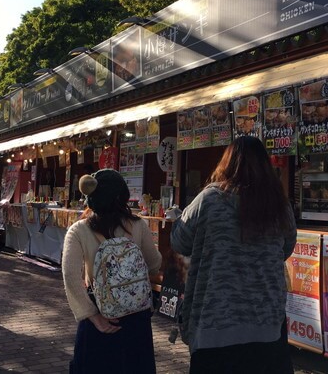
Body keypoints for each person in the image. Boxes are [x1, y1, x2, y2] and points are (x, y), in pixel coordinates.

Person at [171, 136, 297, 374]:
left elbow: (179, 240)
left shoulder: (209, 199)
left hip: (215, 326)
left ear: (226, 163)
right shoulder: (280, 205)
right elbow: (286, 249)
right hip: (267, 325)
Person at [62, 169, 162, 373]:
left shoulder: (79, 230)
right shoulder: (138, 225)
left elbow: (70, 275)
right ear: (122, 196)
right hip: (136, 317)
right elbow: (153, 263)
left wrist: (91, 315)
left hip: (101, 314)